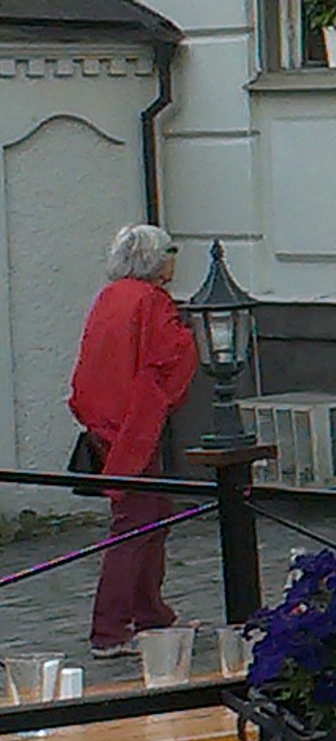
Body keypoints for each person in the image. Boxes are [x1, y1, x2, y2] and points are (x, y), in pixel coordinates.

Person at [68, 224, 198, 657]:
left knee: (152, 514)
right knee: (135, 522)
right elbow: (168, 358)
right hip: (134, 424)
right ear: (156, 260)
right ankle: (109, 629)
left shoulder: (111, 296)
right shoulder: (150, 301)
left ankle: (150, 613)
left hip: (107, 421)